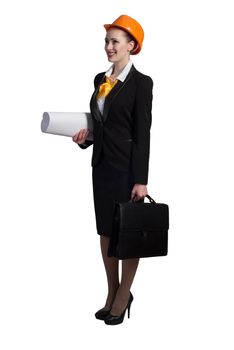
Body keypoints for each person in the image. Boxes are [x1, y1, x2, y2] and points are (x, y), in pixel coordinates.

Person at [72, 14, 153, 325]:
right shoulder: (100, 80)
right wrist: (85, 138)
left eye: (115, 41)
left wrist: (141, 180)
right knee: (105, 232)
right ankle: (112, 292)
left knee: (128, 233)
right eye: (107, 41)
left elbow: (142, 133)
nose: (108, 46)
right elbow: (103, 125)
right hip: (102, 167)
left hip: (127, 170)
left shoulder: (141, 83)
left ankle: (124, 295)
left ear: (131, 46)